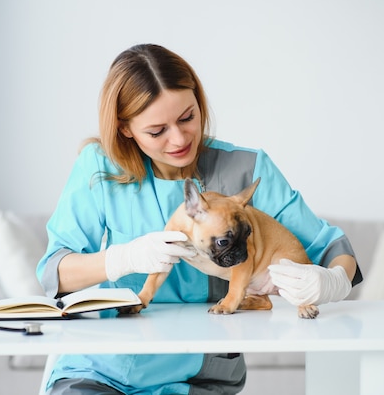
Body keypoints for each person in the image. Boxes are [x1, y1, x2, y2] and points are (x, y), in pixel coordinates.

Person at [36, 43, 362, 394]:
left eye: (187, 117)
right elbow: (54, 273)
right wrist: (124, 258)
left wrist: (332, 282)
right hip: (101, 367)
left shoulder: (246, 169)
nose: (178, 139)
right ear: (125, 128)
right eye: (157, 130)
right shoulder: (99, 167)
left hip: (200, 374)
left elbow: (333, 249)